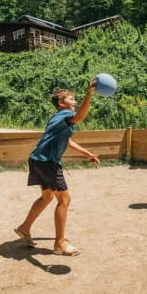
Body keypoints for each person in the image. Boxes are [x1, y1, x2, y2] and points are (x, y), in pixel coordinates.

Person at [14, 79, 99, 256]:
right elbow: (80, 117)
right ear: (61, 103)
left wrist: (87, 153)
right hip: (48, 162)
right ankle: (59, 243)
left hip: (38, 159)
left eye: (75, 99)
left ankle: (24, 228)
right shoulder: (63, 114)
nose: (74, 102)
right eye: (71, 99)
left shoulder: (58, 119)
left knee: (46, 197)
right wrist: (89, 94)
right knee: (64, 200)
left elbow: (67, 140)